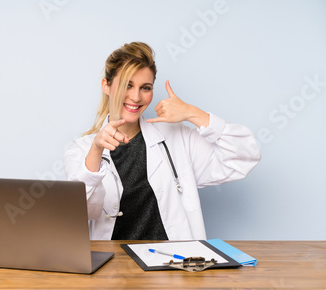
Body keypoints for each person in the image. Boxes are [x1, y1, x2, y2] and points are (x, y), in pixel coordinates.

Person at [63, 42, 261, 240]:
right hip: (114, 267)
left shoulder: (177, 139)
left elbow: (245, 156)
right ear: (106, 85)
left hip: (170, 265)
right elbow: (84, 212)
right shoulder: (82, 150)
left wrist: (193, 113)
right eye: (127, 85)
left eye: (145, 88)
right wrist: (96, 150)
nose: (135, 97)